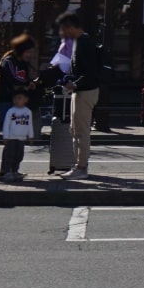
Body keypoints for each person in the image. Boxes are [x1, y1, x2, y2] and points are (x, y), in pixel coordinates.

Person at [54, 12, 102, 180]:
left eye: (64, 29)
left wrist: (74, 83)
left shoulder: (84, 43)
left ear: (71, 27)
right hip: (81, 90)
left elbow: (90, 72)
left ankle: (81, 168)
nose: (63, 33)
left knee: (81, 131)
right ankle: (79, 166)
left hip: (85, 91)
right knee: (75, 130)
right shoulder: (79, 42)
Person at [0, 35, 40, 113]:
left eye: (31, 52)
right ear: (21, 50)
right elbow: (13, 78)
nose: (29, 55)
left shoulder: (24, 63)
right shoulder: (9, 61)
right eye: (27, 52)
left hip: (20, 101)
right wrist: (27, 83)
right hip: (7, 100)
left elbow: (25, 79)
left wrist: (32, 83)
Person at [0, 90, 34, 183]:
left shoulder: (28, 112)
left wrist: (31, 136)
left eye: (19, 98)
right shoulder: (11, 111)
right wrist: (5, 136)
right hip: (11, 137)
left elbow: (29, 124)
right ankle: (6, 171)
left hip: (21, 138)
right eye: (15, 98)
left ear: (26, 99)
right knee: (9, 155)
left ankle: (15, 171)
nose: (17, 100)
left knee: (19, 155)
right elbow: (6, 124)